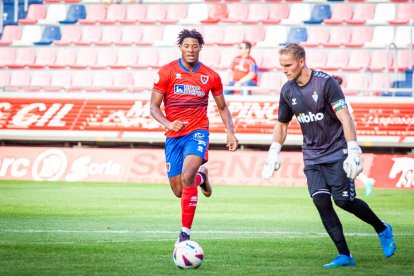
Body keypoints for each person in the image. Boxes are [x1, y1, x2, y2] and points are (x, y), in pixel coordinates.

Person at [262, 44, 396, 268]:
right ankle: (345, 255)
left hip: (336, 151)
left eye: (288, 65)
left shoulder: (325, 83)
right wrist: (273, 151)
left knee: (344, 201)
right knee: (320, 200)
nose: (284, 70)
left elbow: (345, 117)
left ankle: (382, 228)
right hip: (312, 155)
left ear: (301, 62)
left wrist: (353, 149)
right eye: (281, 66)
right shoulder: (287, 90)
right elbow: (282, 125)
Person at [150, 29, 238, 245]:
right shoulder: (167, 72)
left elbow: (222, 107)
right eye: (187, 46)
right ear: (180, 47)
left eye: (195, 46)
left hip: (197, 131)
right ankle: (203, 177)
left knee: (187, 175)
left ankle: (184, 234)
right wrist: (169, 123)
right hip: (173, 135)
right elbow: (153, 107)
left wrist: (230, 132)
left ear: (200, 48)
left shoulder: (211, 76)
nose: (191, 50)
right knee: (179, 190)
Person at [332, 75, 375, 197]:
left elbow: (350, 118)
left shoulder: (341, 100)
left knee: (343, 163)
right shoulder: (335, 98)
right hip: (336, 137)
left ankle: (365, 181)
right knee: (342, 164)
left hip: (341, 137)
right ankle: (366, 180)